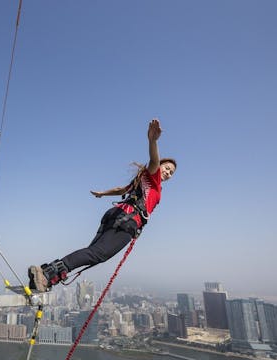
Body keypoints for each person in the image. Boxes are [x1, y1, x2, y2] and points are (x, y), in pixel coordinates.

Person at [28, 118, 176, 292]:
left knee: (93, 252)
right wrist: (152, 141)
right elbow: (153, 161)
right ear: (160, 167)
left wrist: (103, 194)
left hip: (116, 216)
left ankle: (47, 277)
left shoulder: (143, 180)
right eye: (166, 168)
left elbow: (122, 190)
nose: (167, 173)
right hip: (127, 221)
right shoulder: (154, 180)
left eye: (171, 173)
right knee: (98, 254)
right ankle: (45, 274)